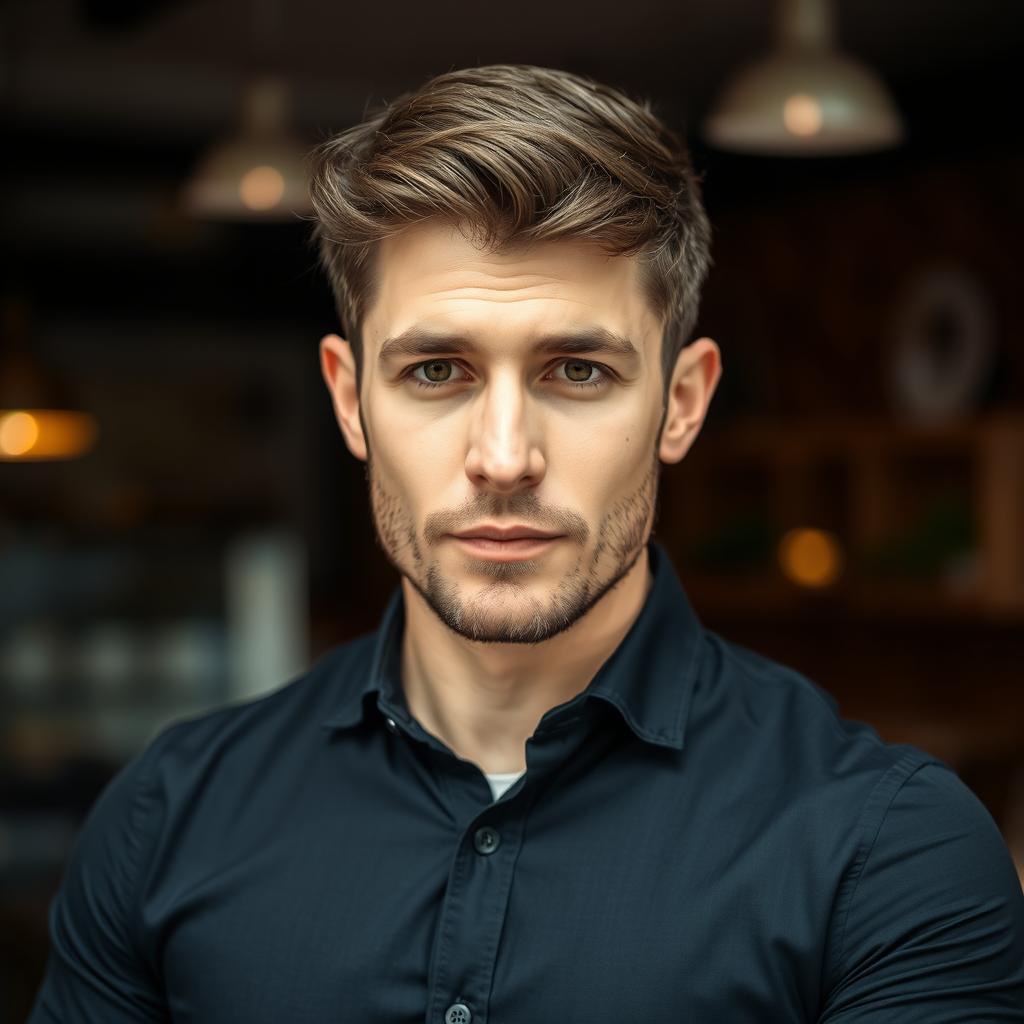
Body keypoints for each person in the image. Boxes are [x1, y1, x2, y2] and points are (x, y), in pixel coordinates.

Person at [29, 64, 1024, 1022]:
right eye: (435, 372)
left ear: (681, 403)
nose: (503, 457)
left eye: (578, 371)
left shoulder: (889, 850)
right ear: (348, 398)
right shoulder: (167, 816)